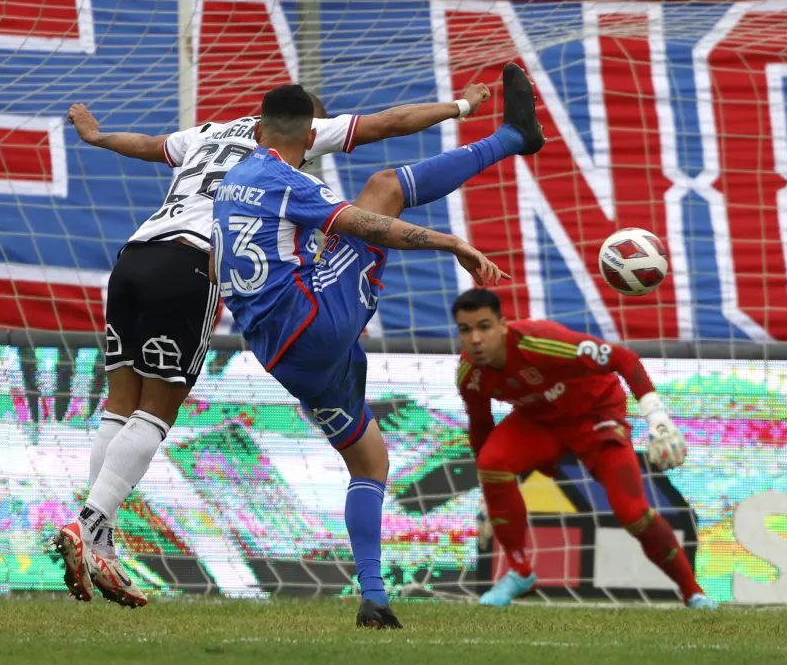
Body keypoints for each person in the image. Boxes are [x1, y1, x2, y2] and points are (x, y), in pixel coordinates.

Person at [53, 84, 493, 608]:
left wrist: (98, 137)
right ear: (309, 132)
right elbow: (392, 122)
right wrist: (462, 107)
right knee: (155, 412)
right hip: (191, 264)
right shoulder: (291, 148)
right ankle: (89, 525)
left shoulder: (211, 132)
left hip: (134, 256)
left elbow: (148, 145)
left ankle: (99, 541)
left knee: (118, 405)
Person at [211, 64, 545, 628]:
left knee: (370, 459)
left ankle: (374, 598)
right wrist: (451, 242)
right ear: (310, 136)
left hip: (279, 354)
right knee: (385, 190)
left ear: (259, 130)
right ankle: (513, 138)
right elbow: (372, 223)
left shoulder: (233, 177)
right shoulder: (295, 183)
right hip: (315, 321)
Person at [451, 288, 717, 610]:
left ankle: (692, 591)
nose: (476, 339)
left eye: (484, 326)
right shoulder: (470, 375)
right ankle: (520, 571)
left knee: (633, 515)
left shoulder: (542, 341)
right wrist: (489, 495)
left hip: (596, 417)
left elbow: (624, 358)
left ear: (503, 325)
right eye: (466, 330)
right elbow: (481, 426)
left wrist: (658, 420)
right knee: (492, 462)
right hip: (539, 423)